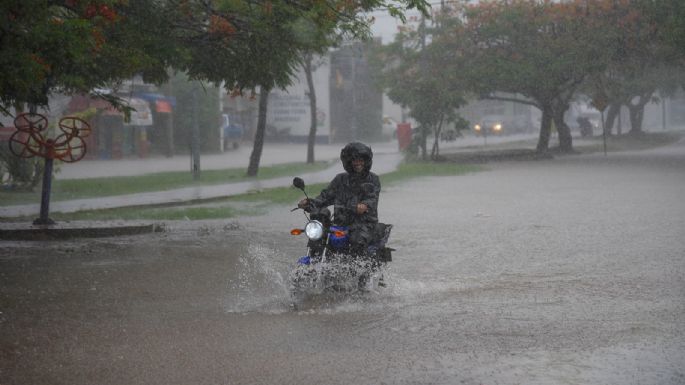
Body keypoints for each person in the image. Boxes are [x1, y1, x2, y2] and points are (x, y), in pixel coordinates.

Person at [298, 141, 381, 254]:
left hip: (364, 224)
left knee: (357, 240)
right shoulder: (340, 179)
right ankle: (313, 260)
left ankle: (358, 268)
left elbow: (372, 199)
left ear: (366, 161)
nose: (358, 162)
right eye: (354, 160)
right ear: (349, 162)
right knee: (318, 238)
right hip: (340, 225)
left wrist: (364, 205)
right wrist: (309, 203)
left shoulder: (373, 179)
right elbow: (325, 197)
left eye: (361, 159)